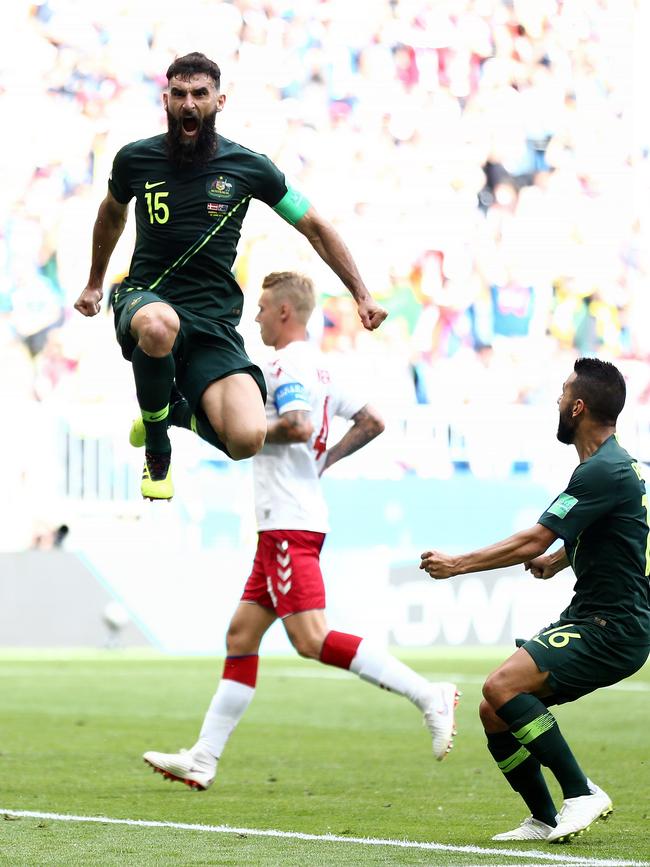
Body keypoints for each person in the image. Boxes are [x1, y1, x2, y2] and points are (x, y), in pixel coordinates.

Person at [142, 271, 459, 789]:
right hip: (285, 521)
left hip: (290, 522)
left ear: (285, 311)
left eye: (264, 307)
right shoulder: (323, 367)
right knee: (241, 635)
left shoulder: (287, 364)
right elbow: (373, 420)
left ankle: (430, 695)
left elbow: (296, 425)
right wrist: (324, 463)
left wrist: (236, 434)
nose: (257, 316)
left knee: (310, 639)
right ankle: (203, 757)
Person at [74, 52, 387, 500]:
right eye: (179, 94)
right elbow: (111, 214)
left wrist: (361, 294)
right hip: (146, 298)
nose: (188, 104)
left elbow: (315, 226)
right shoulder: (134, 160)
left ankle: (166, 413)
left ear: (219, 101)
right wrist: (94, 283)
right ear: (165, 99)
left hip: (212, 320)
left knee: (246, 439)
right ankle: (158, 449)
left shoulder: (249, 168)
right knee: (159, 324)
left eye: (199, 94)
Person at [420, 357, 650, 844]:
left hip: (613, 626)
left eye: (564, 393)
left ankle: (581, 793)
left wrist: (458, 565)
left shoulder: (601, 472)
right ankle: (544, 818)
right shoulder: (615, 467)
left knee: (501, 685)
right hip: (597, 616)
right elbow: (621, 532)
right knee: (493, 708)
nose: (558, 400)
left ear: (579, 407)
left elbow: (532, 540)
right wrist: (563, 559)